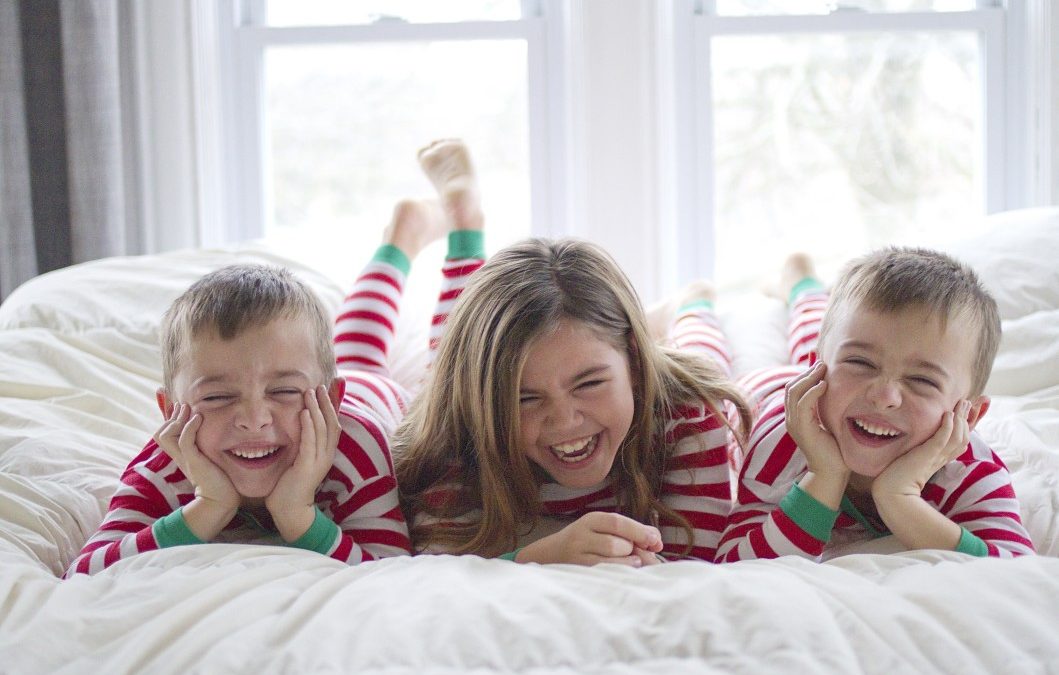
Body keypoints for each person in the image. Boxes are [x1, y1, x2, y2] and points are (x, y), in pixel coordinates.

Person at [65, 150, 485, 576]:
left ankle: (461, 228)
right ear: (170, 411)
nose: (253, 419)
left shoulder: (355, 451)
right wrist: (208, 507)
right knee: (356, 347)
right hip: (338, 381)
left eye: (283, 391)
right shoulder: (166, 464)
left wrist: (297, 514)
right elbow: (85, 572)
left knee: (454, 366)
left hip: (374, 399)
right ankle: (403, 235)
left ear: (331, 400)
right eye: (218, 396)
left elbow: (388, 568)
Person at [392, 140, 752, 566]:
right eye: (525, 397)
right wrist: (539, 557)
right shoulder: (456, 433)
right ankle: (464, 226)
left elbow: (692, 565)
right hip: (474, 385)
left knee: (702, 348)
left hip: (664, 371)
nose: (564, 420)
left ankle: (692, 302)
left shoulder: (688, 416)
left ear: (634, 362)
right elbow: (439, 567)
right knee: (451, 352)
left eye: (590, 383)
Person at [715, 249, 1036, 562]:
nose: (884, 397)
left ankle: (803, 285)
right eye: (860, 362)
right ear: (813, 374)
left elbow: (1016, 571)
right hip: (763, 391)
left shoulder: (968, 472)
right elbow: (735, 565)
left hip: (838, 392)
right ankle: (697, 305)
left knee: (834, 342)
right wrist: (824, 476)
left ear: (971, 415)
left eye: (922, 381)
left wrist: (899, 499)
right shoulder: (780, 447)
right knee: (707, 365)